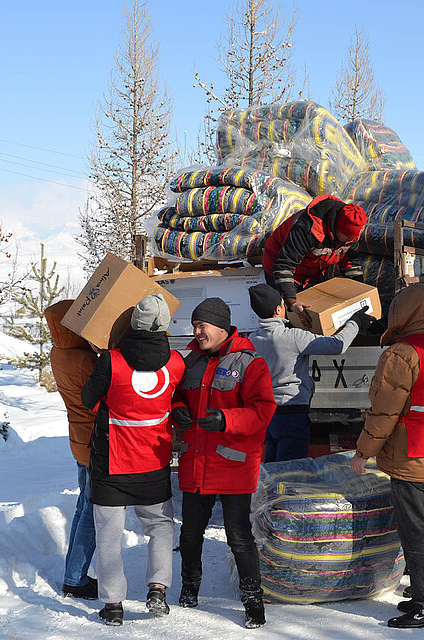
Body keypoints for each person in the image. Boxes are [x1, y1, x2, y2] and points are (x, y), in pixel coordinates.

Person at [349, 283, 424, 629]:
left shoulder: (402, 353)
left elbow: (383, 413)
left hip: (411, 454)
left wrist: (363, 452)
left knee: (414, 532)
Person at [171, 297, 276, 629]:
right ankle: (189, 587)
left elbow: (263, 411)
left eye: (202, 326)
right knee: (189, 534)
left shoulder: (250, 363)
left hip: (232, 466)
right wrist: (178, 412)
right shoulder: (190, 362)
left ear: (220, 326)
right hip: (196, 462)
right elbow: (174, 396)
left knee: (239, 536)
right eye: (194, 326)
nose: (197, 332)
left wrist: (227, 420)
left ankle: (252, 602)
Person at [80, 294, 185, 626]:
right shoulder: (176, 363)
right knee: (160, 527)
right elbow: (177, 399)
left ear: (133, 324)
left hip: (113, 463)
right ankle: (157, 588)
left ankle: (113, 605)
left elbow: (87, 399)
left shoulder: (111, 361)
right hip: (153, 462)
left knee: (109, 535)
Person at [247, 282, 368, 462]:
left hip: (267, 414)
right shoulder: (293, 337)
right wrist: (356, 322)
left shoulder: (252, 339)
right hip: (292, 412)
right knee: (292, 471)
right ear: (279, 309)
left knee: (273, 469)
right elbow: (338, 345)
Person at [44, 299, 99, 601]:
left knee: (83, 506)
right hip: (93, 438)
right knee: (91, 510)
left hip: (78, 438)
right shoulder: (83, 360)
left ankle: (72, 574)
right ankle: (75, 579)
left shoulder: (59, 353)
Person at [261, 195, 367, 324]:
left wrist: (361, 292)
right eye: (347, 237)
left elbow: (351, 264)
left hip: (315, 268)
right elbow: (284, 265)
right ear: (337, 228)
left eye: (353, 238)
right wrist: (291, 302)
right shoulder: (307, 228)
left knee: (317, 316)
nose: (350, 241)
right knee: (293, 319)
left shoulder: (350, 235)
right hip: (280, 266)